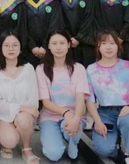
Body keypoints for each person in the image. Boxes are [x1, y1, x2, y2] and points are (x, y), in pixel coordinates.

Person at [85, 30, 129, 164]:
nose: (108, 47)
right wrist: (97, 121)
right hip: (105, 113)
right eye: (104, 43)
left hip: (127, 110)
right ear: (98, 46)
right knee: (103, 149)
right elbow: (89, 100)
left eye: (112, 43)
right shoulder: (91, 70)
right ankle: (115, 149)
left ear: (118, 46)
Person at [36, 30, 90, 162]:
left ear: (69, 45)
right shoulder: (41, 69)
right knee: (54, 154)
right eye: (54, 43)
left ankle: (73, 147)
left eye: (62, 43)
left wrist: (76, 118)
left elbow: (80, 97)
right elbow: (45, 102)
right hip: (49, 117)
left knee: (70, 128)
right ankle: (57, 139)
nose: (58, 47)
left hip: (74, 115)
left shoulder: (78, 68)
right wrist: (65, 113)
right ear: (49, 46)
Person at [0, 32, 40, 164]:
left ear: (20, 47)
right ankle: (5, 139)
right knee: (10, 141)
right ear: (0, 48)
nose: (11, 49)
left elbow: (33, 98)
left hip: (25, 116)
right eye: (6, 45)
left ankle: (26, 148)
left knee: (23, 120)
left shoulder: (28, 68)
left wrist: (24, 111)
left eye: (15, 45)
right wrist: (22, 108)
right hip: (3, 116)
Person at [55, 0, 95, 67]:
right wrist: (68, 37)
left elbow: (89, 16)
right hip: (64, 42)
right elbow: (57, 19)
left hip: (85, 42)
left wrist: (79, 37)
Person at [24, 0, 64, 66]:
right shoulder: (24, 3)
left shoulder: (53, 1)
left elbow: (55, 24)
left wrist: (45, 46)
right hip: (30, 50)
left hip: (49, 48)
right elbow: (23, 26)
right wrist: (32, 46)